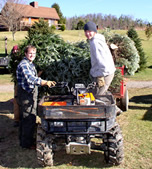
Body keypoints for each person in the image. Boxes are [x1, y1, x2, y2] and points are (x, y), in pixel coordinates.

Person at [16, 45, 56, 149]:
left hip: (29, 93)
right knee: (28, 117)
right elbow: (30, 78)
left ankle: (23, 139)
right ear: (25, 54)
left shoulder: (30, 64)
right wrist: (44, 82)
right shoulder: (23, 64)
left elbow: (34, 76)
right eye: (30, 53)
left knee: (25, 117)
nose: (32, 55)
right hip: (26, 94)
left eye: (34, 53)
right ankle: (27, 144)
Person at [84, 21, 122, 114]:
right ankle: (115, 109)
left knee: (97, 96)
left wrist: (100, 76)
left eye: (90, 31)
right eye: (86, 31)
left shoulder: (95, 42)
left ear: (95, 31)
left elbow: (102, 60)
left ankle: (108, 114)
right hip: (106, 71)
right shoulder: (96, 39)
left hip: (104, 73)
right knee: (100, 93)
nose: (87, 33)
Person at [11, 45, 20, 127]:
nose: (15, 52)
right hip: (18, 83)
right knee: (17, 100)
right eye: (14, 51)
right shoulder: (15, 62)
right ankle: (17, 120)